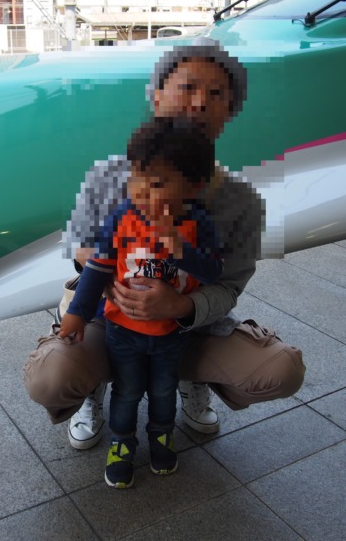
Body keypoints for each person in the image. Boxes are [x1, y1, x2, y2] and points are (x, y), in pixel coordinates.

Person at [24, 39, 306, 454]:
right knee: (51, 376)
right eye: (187, 87)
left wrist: (180, 307)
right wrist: (112, 265)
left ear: (230, 112)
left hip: (189, 329)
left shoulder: (241, 200)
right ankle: (93, 388)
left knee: (283, 370)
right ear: (156, 96)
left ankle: (193, 382)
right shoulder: (109, 175)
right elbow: (78, 245)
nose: (198, 103)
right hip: (112, 320)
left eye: (215, 95)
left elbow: (228, 287)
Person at [59, 117, 224, 488]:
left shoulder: (200, 224)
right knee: (128, 389)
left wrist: (179, 249)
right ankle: (121, 443)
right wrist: (76, 315)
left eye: (158, 184)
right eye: (138, 178)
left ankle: (162, 435)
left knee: (164, 388)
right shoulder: (122, 218)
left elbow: (214, 272)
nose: (142, 192)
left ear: (194, 187)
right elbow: (98, 268)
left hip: (172, 333)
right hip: (123, 330)